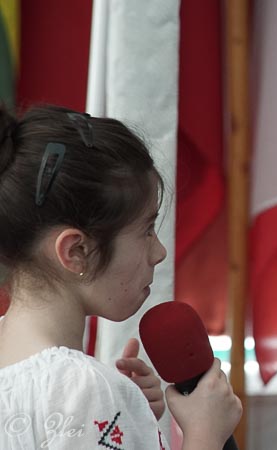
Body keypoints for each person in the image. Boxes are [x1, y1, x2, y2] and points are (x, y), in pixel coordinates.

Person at [0, 105, 242, 449]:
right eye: (146, 230)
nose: (159, 252)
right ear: (76, 251)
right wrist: (206, 435)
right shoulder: (84, 389)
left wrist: (130, 416)